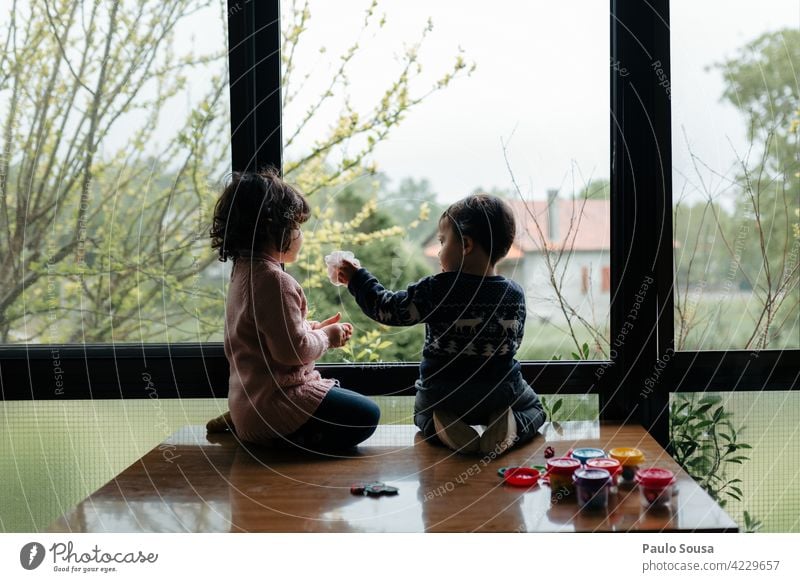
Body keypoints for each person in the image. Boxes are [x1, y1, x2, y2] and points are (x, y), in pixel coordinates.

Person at [337, 193, 545, 456]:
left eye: (443, 241)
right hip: (499, 391)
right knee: (535, 410)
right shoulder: (514, 294)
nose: (438, 251)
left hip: (441, 394)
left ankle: (442, 427)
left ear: (466, 244)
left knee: (421, 415)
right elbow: (514, 342)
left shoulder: (436, 289)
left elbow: (388, 309)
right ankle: (509, 427)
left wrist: (358, 278)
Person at [206, 168, 380, 452]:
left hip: (249, 399)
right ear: (273, 228)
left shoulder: (243, 272)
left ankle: (245, 422)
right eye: (297, 227)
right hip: (275, 402)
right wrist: (328, 337)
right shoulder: (275, 281)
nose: (300, 235)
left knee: (341, 396)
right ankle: (280, 437)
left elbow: (263, 332)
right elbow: (292, 351)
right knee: (365, 416)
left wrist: (311, 328)